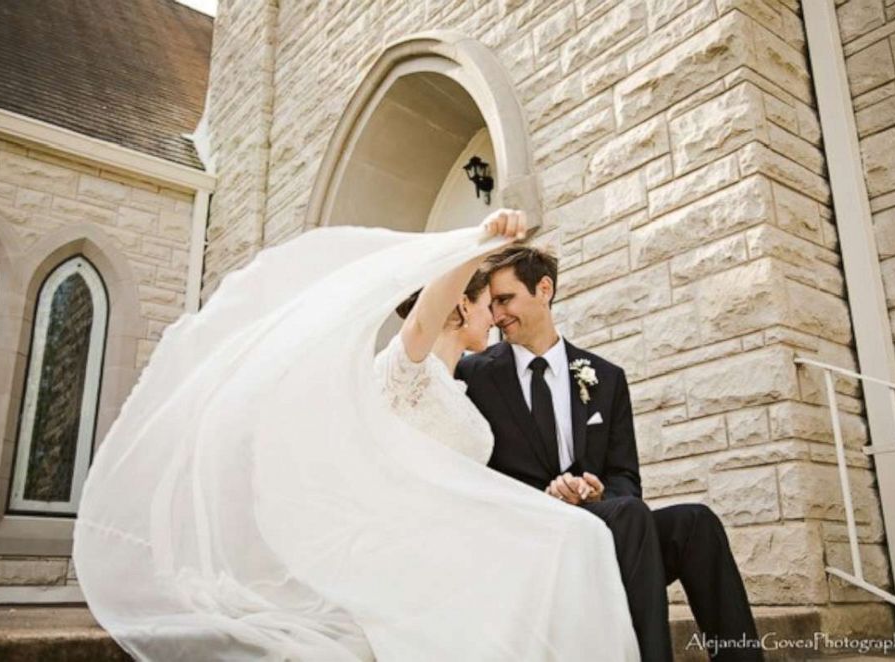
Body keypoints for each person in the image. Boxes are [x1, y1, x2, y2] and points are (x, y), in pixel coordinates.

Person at [74, 210, 640, 661]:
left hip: (445, 533)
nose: (493, 317)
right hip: (403, 540)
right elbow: (422, 320)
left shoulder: (460, 391)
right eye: (484, 303)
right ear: (459, 304)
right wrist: (478, 247)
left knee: (571, 540)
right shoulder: (408, 368)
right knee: (571, 543)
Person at [457, 246, 763, 662]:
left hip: (604, 524)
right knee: (633, 517)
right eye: (490, 303)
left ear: (543, 289)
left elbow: (625, 476)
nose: (495, 315)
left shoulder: (606, 377)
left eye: (505, 299)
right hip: (534, 535)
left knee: (696, 522)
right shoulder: (475, 375)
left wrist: (597, 492)